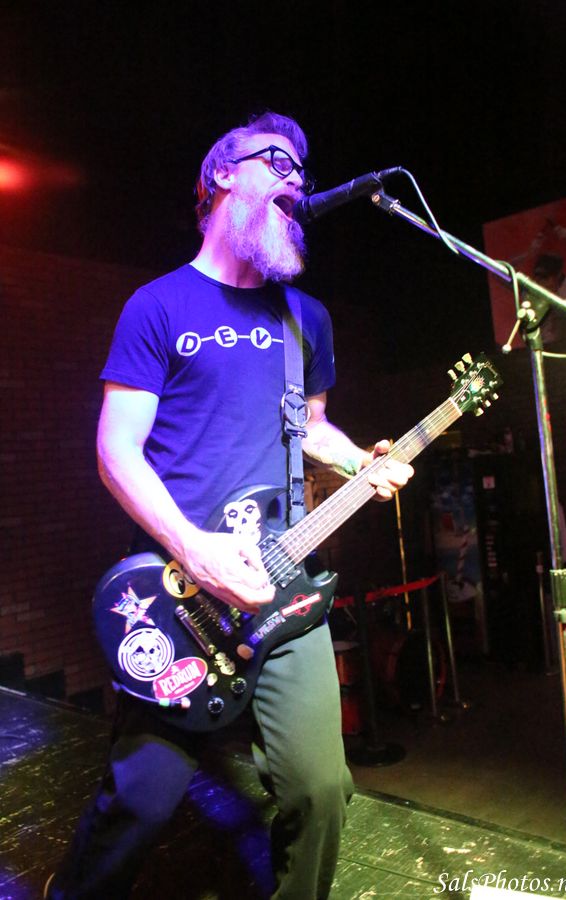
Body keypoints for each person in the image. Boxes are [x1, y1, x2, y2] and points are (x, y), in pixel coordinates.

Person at [46, 111, 413, 899]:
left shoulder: (304, 317)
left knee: (322, 791)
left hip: (285, 586)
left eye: (303, 169)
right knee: (141, 803)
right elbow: (116, 451)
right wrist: (193, 547)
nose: (298, 178)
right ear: (221, 177)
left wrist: (361, 460)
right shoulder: (158, 306)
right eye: (277, 160)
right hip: (179, 594)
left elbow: (311, 426)